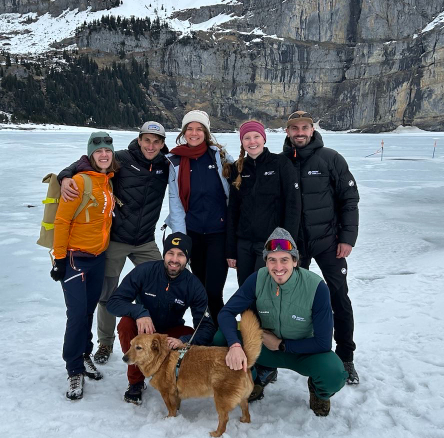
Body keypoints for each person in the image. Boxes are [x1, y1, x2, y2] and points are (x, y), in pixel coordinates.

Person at [58, 121, 169, 365]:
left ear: (162, 144)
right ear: (139, 140)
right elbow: (87, 162)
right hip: (115, 239)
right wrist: (65, 176)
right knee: (106, 294)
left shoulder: (166, 164)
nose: (151, 146)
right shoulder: (121, 159)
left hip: (145, 241)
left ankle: (154, 340)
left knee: (160, 286)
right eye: (147, 140)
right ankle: (105, 343)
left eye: (156, 141)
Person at [216, 228, 347, 416]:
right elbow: (226, 313)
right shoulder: (258, 279)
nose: (278, 267)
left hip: (305, 352)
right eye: (272, 260)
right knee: (221, 339)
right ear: (266, 262)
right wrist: (236, 345)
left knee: (334, 372)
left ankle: (319, 393)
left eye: (284, 259)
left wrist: (281, 345)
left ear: (295, 261)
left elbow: (323, 343)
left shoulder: (316, 287)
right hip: (265, 349)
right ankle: (251, 381)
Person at [282, 110, 361, 385]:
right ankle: (295, 351)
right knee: (292, 299)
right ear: (288, 132)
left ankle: (345, 357)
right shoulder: (282, 163)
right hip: (295, 246)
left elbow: (349, 199)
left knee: (338, 296)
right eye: (295, 128)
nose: (300, 132)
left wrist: (347, 238)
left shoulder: (331, 159)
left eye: (305, 127)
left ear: (312, 130)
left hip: (329, 242)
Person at [107, 233, 216, 405]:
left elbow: (206, 326)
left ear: (187, 258)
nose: (174, 259)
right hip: (144, 330)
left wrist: (184, 340)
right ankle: (136, 382)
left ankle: (177, 380)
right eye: (170, 253)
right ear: (164, 254)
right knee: (125, 324)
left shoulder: (193, 285)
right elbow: (113, 302)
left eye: (181, 255)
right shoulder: (145, 271)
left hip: (170, 332)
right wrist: (139, 312)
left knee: (191, 336)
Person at [49, 131, 118, 401]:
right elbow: (62, 221)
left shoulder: (107, 182)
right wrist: (59, 259)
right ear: (90, 154)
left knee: (89, 310)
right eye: (98, 151)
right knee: (76, 315)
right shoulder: (77, 182)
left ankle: (85, 353)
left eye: (108, 151)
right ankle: (73, 368)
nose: (103, 154)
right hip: (75, 258)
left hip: (98, 257)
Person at [165, 109, 230, 324]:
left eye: (199, 129)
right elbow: (175, 201)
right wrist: (181, 238)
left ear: (206, 132)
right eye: (190, 129)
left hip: (217, 233)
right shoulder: (176, 160)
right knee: (198, 288)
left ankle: (221, 338)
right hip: (193, 233)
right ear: (184, 132)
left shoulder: (219, 156)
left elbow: (236, 188)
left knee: (213, 290)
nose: (194, 133)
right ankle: (202, 334)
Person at [224, 119, 301, 287]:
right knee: (246, 291)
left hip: (272, 244)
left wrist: (287, 245)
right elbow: (233, 211)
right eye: (247, 138)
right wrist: (231, 250)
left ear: (264, 139)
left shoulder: (281, 164)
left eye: (256, 136)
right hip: (244, 244)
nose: (252, 142)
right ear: (242, 142)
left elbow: (293, 207)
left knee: (266, 291)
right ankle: (247, 315)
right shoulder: (238, 168)